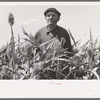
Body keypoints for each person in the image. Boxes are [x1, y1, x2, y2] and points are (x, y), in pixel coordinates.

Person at [34, 8, 73, 79]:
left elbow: (69, 52)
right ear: (45, 18)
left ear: (58, 18)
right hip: (44, 70)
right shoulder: (39, 33)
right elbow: (35, 53)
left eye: (53, 15)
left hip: (60, 70)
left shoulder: (64, 32)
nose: (50, 17)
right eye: (48, 15)